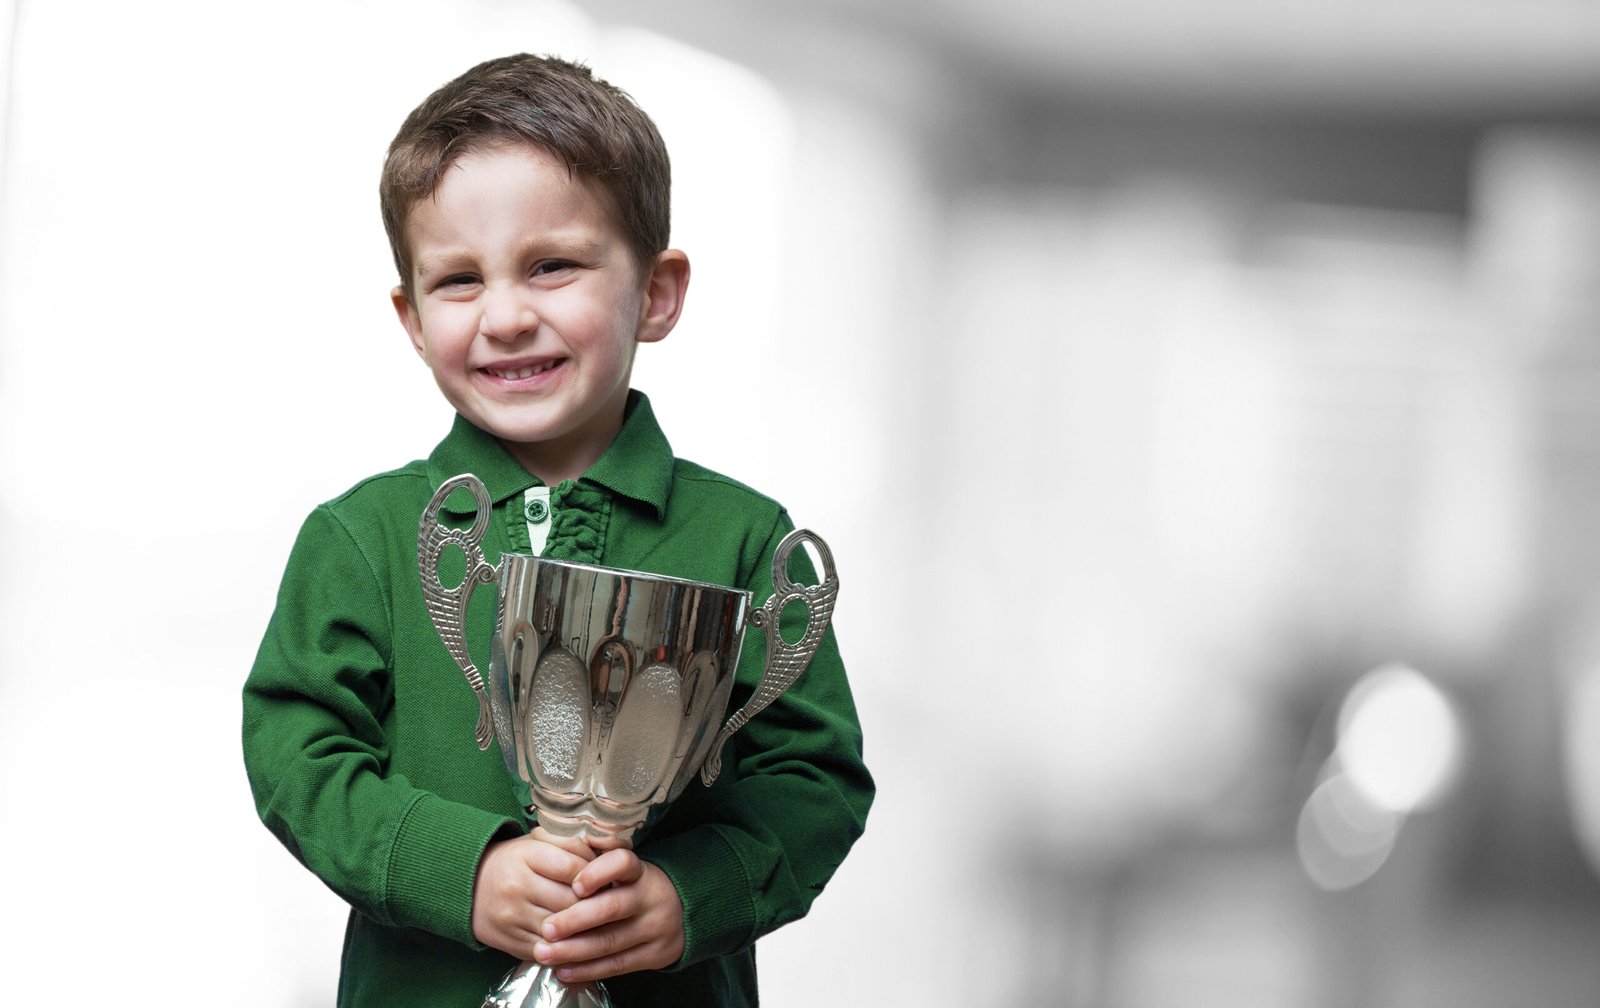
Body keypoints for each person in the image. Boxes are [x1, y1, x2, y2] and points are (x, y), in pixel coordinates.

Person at [241, 53, 873, 1007]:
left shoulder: (747, 539)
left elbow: (815, 778)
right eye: (459, 281)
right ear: (411, 320)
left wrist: (686, 897)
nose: (505, 316)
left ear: (655, 292)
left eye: (553, 266)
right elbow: (296, 753)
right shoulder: (360, 538)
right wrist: (462, 870)